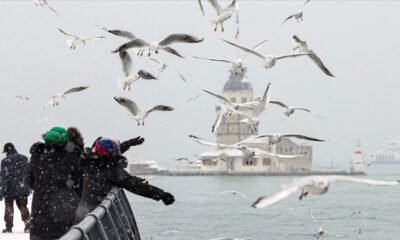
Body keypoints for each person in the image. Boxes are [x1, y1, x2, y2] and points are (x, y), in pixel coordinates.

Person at [75, 137, 175, 223]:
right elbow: (134, 185)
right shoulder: (110, 169)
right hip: (97, 217)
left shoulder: (90, 161)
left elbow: (106, 152)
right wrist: (161, 195)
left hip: (82, 212)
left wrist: (128, 144)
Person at [28, 126, 83, 240]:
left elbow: (30, 181)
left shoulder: (36, 156)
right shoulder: (72, 157)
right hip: (65, 209)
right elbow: (80, 184)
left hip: (40, 208)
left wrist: (43, 188)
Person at [0, 143, 31, 233]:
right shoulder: (24, 158)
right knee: (23, 206)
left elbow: (4, 177)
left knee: (9, 207)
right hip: (22, 187)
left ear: (6, 151)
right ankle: (28, 224)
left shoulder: (5, 161)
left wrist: (2, 191)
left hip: (9, 188)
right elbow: (28, 173)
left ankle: (9, 227)